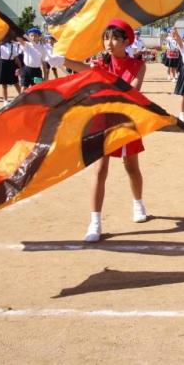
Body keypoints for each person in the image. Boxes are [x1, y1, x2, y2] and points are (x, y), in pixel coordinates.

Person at [63, 19, 148, 242]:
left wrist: (105, 79)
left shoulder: (138, 65)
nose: (109, 43)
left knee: (131, 167)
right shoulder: (100, 63)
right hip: (101, 121)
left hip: (125, 120)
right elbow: (84, 70)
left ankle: (138, 203)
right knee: (99, 170)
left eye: (115, 39)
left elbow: (132, 91)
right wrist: (62, 60)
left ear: (127, 41)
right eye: (106, 38)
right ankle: (95, 221)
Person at [0, 41, 22, 106]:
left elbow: (16, 58)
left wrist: (20, 67)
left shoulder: (12, 46)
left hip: (11, 64)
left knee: (15, 82)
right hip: (2, 65)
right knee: (4, 84)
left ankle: (22, 96)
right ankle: (5, 100)